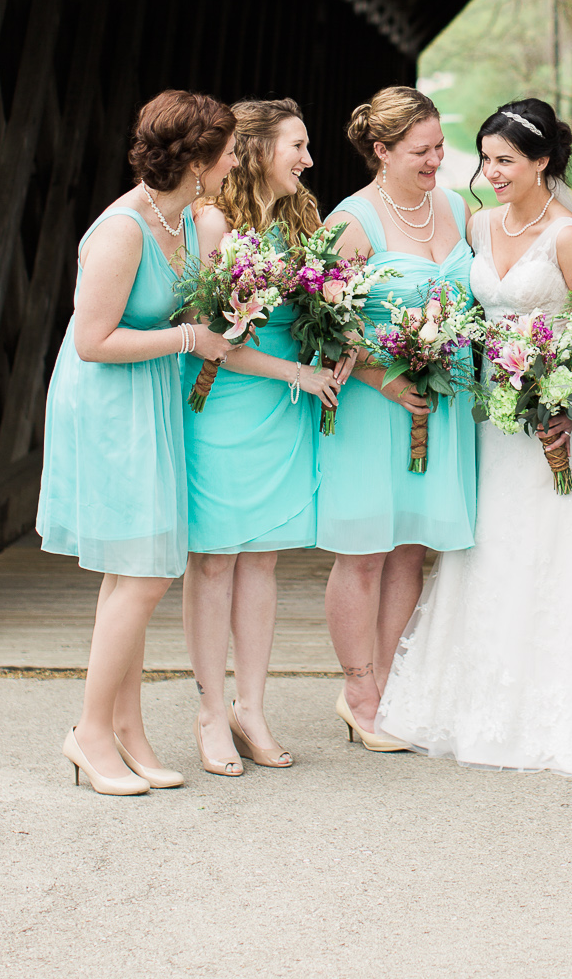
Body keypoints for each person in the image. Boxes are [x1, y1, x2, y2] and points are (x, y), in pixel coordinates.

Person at [378, 100, 572, 778]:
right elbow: (469, 312)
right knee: (491, 547)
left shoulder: (564, 236)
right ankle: (480, 699)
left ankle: (556, 707)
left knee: (552, 550)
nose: (489, 172)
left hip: (553, 416)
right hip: (491, 417)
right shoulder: (475, 222)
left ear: (541, 163)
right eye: (485, 158)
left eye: (504, 160)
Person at [37, 90, 237, 795]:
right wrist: (191, 336)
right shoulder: (123, 230)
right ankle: (88, 733)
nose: (236, 159)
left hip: (146, 396)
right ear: (199, 161)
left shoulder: (179, 219)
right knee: (146, 573)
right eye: (230, 150)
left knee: (132, 571)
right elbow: (92, 341)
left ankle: (128, 731)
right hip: (107, 405)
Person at [182, 99, 349, 778]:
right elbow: (210, 340)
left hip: (284, 405)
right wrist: (297, 373)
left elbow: (318, 302)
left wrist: (337, 339)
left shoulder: (298, 217)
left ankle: (251, 707)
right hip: (225, 404)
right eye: (297, 146)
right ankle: (208, 710)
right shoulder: (213, 221)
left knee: (262, 561)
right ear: (254, 150)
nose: (308, 159)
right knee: (216, 559)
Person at [316, 87, 477, 751]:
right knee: (364, 551)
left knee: (411, 543)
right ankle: (358, 690)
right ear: (380, 151)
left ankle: (393, 683)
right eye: (421, 151)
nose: (436, 160)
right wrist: (387, 381)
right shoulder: (350, 223)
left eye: (440, 147)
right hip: (373, 404)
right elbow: (320, 327)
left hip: (442, 400)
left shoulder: (457, 206)